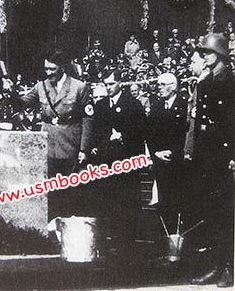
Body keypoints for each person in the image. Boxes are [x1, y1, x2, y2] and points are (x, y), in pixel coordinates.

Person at [10, 50, 93, 219]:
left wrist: (84, 149)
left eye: (52, 69)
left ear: (62, 68)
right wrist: (10, 90)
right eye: (46, 69)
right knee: (49, 191)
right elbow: (22, 104)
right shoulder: (41, 86)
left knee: (69, 192)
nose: (48, 73)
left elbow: (88, 119)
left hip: (70, 146)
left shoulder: (79, 87)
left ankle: (68, 229)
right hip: (48, 146)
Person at [188, 33, 235, 288]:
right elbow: (199, 123)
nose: (203, 56)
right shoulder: (205, 82)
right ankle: (216, 267)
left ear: (219, 55)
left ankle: (227, 267)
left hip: (223, 156)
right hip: (207, 156)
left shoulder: (230, 82)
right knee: (212, 213)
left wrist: (232, 155)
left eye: (207, 52)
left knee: (225, 213)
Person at [92, 69, 147, 258]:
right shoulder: (100, 106)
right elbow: (96, 132)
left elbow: (141, 131)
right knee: (109, 204)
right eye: (106, 84)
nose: (108, 88)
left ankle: (127, 248)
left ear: (120, 83)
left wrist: (123, 136)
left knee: (127, 205)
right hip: (107, 163)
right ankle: (110, 246)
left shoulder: (133, 104)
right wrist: (104, 141)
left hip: (126, 164)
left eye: (111, 84)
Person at [147, 73, 187, 236]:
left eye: (163, 85)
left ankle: (177, 238)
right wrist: (156, 152)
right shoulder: (156, 106)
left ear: (173, 86)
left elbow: (185, 134)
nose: (159, 88)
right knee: (163, 201)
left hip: (177, 162)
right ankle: (165, 237)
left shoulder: (184, 105)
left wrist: (174, 152)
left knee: (178, 199)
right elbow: (149, 133)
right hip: (160, 161)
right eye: (159, 84)